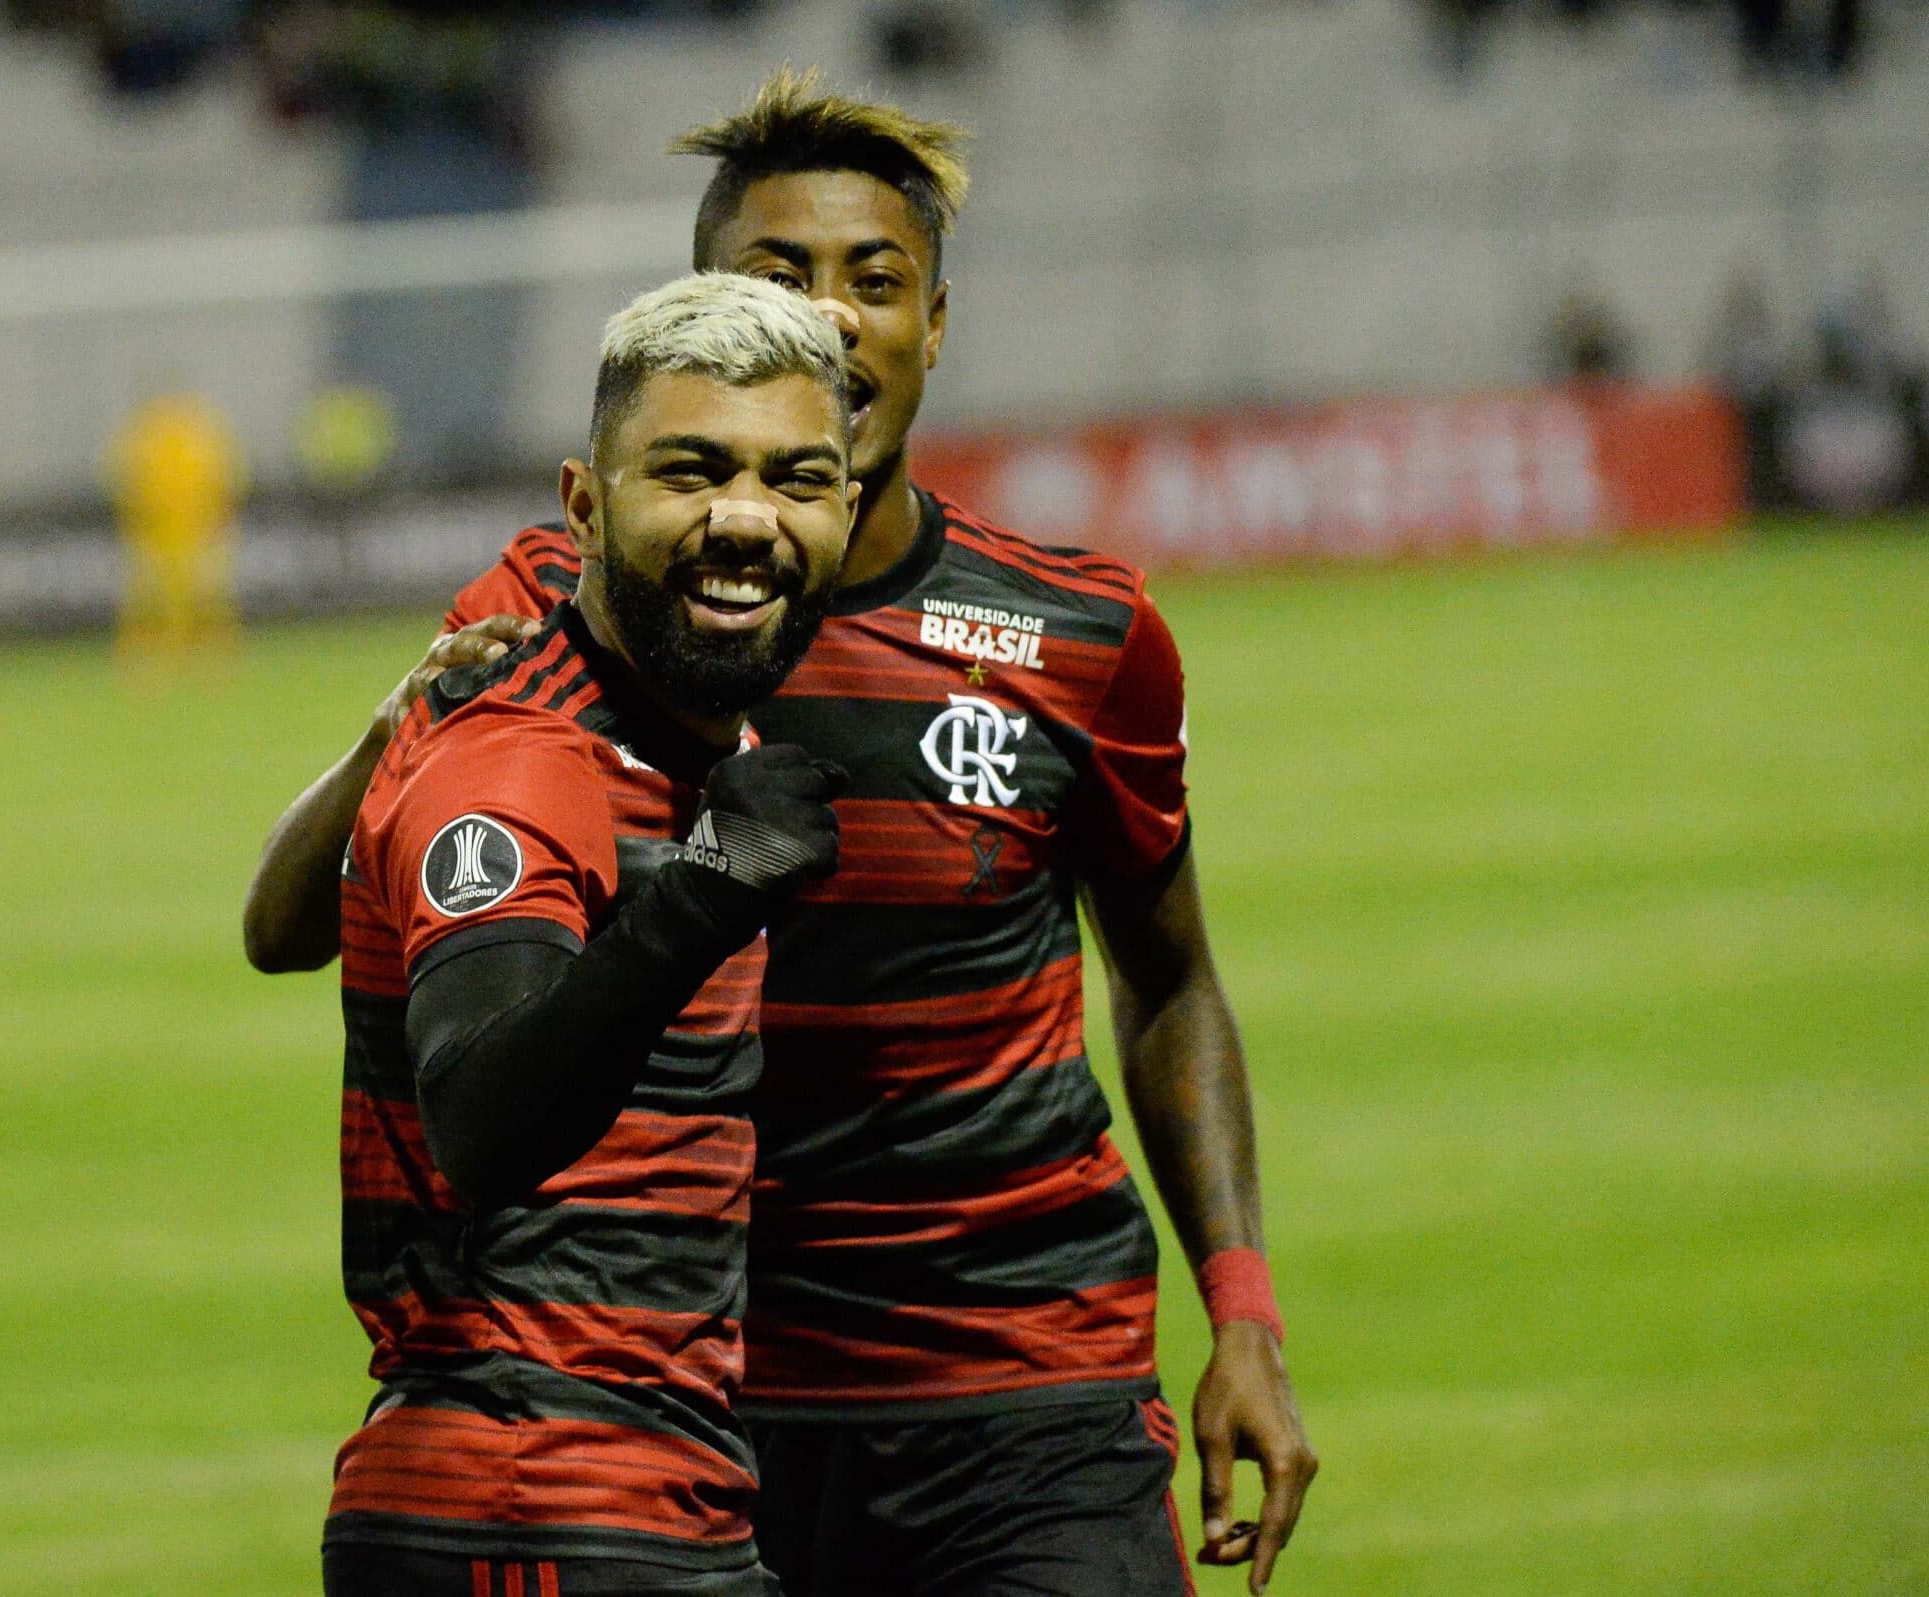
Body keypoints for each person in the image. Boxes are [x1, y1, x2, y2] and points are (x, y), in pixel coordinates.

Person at [254, 69, 1319, 1597]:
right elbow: (296, 924)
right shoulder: (575, 598)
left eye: (873, 283)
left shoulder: (1079, 635)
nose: (828, 319)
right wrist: (389, 734)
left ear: (934, 324)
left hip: (1020, 1386)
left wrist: (1247, 1312)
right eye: (779, 275)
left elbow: (1170, 977)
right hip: (715, 1406)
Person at [323, 272, 858, 1597]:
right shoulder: (524, 764)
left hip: (642, 1495)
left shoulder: (683, 736)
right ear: (584, 505)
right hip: (536, 1496)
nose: (747, 516)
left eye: (797, 479)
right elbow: (485, 1119)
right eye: (693, 471)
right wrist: (706, 885)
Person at [109, 385, 243, 672]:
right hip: (165, 532)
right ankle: (161, 656)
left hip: (188, 530)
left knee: (199, 596)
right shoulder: (184, 436)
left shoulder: (161, 437)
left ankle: (199, 655)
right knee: (159, 598)